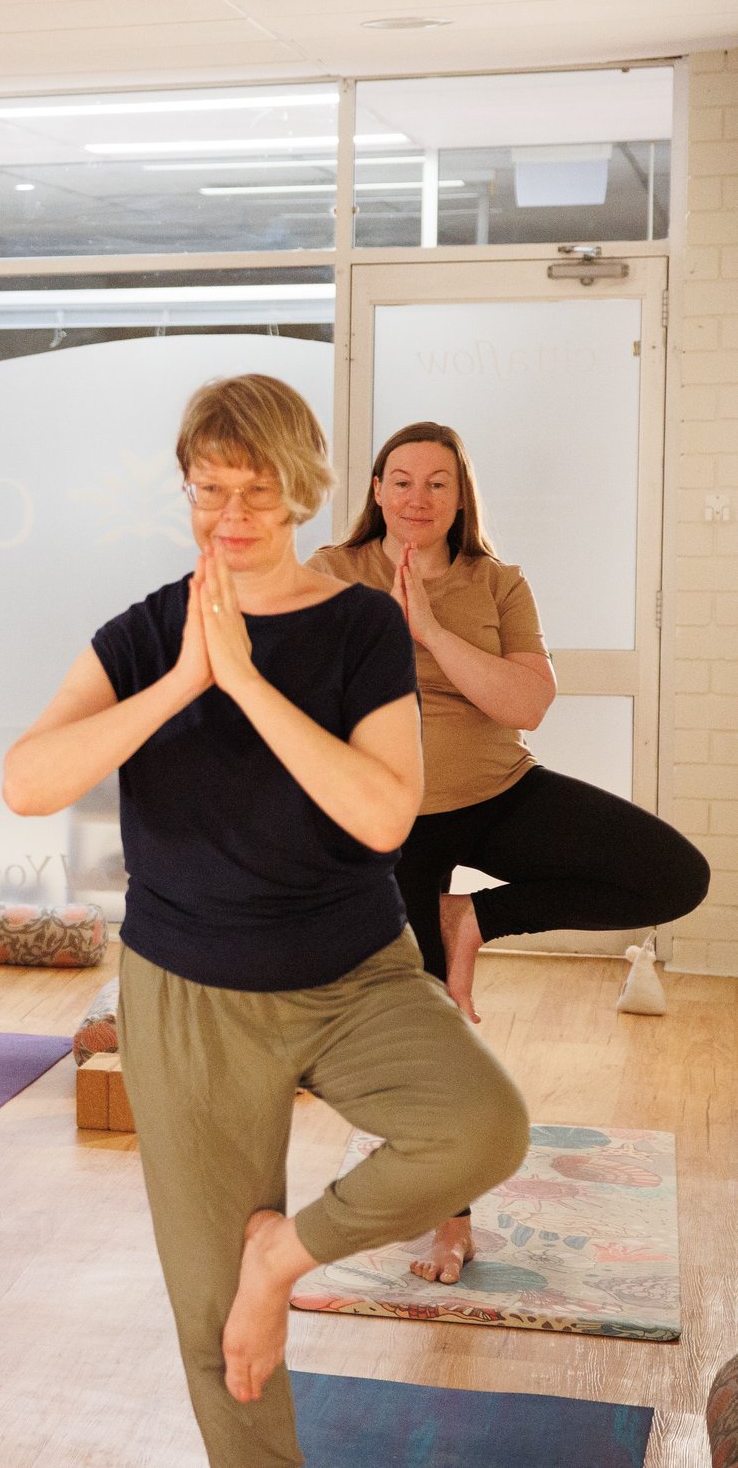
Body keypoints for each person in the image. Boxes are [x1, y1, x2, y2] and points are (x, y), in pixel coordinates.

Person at [2, 376, 526, 1468]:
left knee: (483, 1124)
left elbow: (384, 812)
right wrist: (185, 677)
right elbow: (25, 779)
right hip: (186, 996)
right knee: (216, 1338)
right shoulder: (148, 630)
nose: (230, 515)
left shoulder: (358, 625)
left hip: (352, 975)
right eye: (207, 490)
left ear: (302, 490)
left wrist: (244, 683)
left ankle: (278, 1254)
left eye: (255, 490)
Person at [310, 421, 706, 1284]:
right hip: (394, 821)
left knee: (674, 874)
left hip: (498, 792)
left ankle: (474, 913)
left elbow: (524, 702)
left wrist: (430, 632)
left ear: (461, 496)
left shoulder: (496, 581)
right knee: (427, 1025)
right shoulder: (332, 575)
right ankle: (449, 1220)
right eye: (401, 479)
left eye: (437, 483)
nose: (418, 497)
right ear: (375, 489)